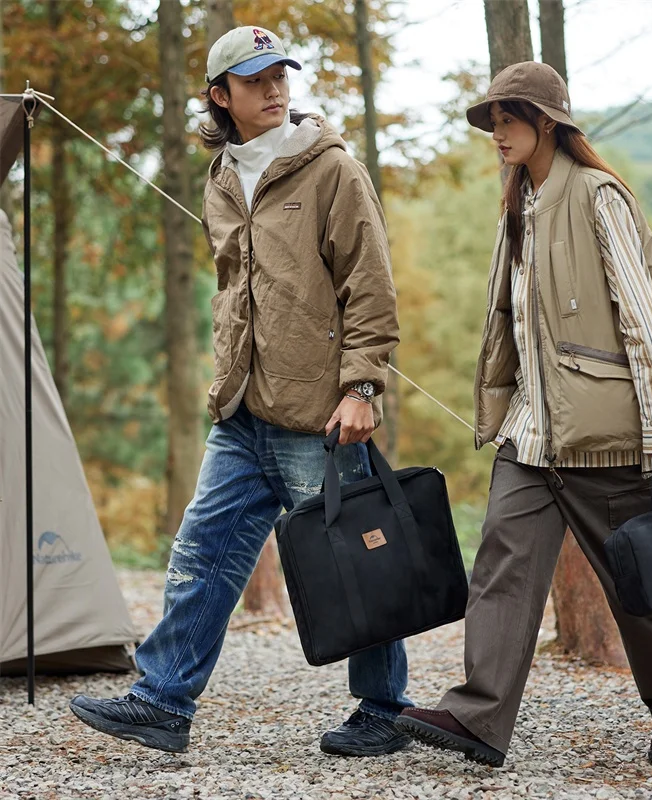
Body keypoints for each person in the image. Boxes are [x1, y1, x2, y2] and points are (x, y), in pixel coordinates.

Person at [70, 25, 413, 756]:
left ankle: (384, 709)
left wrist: (362, 385)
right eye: (255, 80)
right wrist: (226, 372)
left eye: (280, 75)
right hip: (239, 412)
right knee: (200, 553)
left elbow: (371, 287)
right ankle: (163, 702)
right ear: (219, 96)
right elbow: (235, 290)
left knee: (357, 564)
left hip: (319, 417)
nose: (273, 89)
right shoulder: (222, 177)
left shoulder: (332, 172)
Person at [396, 62, 652, 768]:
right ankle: (478, 716)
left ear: (547, 121)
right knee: (501, 568)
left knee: (640, 580)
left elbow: (643, 317)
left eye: (508, 120)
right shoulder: (521, 204)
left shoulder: (598, 195)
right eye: (491, 123)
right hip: (532, 432)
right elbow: (512, 325)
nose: (497, 135)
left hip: (605, 432)